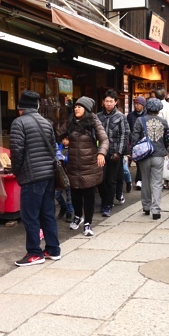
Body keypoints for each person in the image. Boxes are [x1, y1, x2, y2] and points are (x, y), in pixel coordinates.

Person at [10, 90, 60, 267]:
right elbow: (54, 149)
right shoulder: (46, 123)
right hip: (48, 175)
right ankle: (53, 249)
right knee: (47, 214)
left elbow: (16, 152)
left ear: (20, 108)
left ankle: (34, 253)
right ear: (36, 106)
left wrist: (17, 172)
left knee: (30, 216)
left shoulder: (19, 123)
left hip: (32, 177)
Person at [58, 96, 108, 236]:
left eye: (79, 107)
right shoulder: (71, 122)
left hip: (90, 165)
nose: (76, 109)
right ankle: (78, 216)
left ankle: (88, 223)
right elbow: (58, 133)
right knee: (75, 195)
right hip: (73, 165)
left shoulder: (93, 121)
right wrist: (63, 139)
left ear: (86, 109)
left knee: (89, 196)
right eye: (75, 106)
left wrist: (101, 153)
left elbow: (104, 139)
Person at [130, 98, 168, 219]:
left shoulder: (139, 120)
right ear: (158, 110)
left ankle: (146, 206)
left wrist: (134, 153)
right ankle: (156, 210)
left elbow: (134, 138)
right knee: (157, 183)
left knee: (145, 181)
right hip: (159, 155)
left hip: (145, 155)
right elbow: (167, 140)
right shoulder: (163, 121)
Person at [97, 89, 130, 217]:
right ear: (103, 102)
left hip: (114, 152)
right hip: (101, 152)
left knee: (111, 180)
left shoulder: (121, 117)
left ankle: (107, 204)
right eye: (106, 101)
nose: (109, 103)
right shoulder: (98, 116)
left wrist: (119, 152)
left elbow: (124, 135)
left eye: (111, 101)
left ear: (116, 102)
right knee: (100, 180)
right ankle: (105, 199)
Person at [127, 96, 147, 190]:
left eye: (138, 104)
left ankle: (141, 180)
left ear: (143, 105)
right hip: (134, 141)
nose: (136, 105)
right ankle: (139, 180)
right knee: (138, 161)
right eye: (135, 103)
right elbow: (128, 128)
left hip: (144, 142)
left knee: (143, 162)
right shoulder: (130, 115)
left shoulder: (146, 115)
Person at [55, 136, 75, 223]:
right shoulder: (59, 146)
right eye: (63, 139)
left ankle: (69, 213)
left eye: (66, 139)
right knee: (57, 194)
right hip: (60, 174)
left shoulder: (73, 148)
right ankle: (63, 207)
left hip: (70, 174)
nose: (64, 141)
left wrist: (64, 158)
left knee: (69, 196)